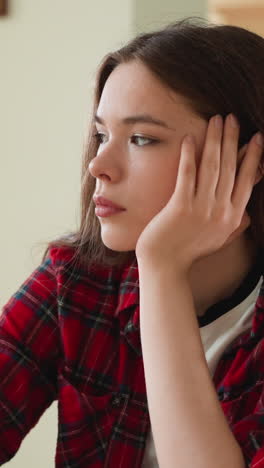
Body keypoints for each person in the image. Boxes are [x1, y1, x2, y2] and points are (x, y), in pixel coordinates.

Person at [1, 16, 264, 467]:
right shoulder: (75, 282)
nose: (98, 165)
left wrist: (162, 270)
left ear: (245, 164)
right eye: (102, 135)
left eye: (142, 138)